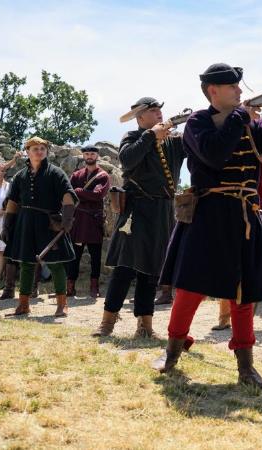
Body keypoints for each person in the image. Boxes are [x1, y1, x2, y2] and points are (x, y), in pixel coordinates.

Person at [153, 63, 262, 390]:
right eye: (233, 87)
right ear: (214, 91)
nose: (240, 92)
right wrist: (242, 118)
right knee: (190, 287)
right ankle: (172, 352)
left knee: (245, 293)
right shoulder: (199, 123)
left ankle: (246, 367)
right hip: (208, 214)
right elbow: (214, 153)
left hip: (243, 216)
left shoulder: (249, 123)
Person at [92, 97, 185, 338]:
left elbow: (197, 143)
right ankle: (107, 323)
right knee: (124, 268)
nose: (159, 116)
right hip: (137, 209)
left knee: (152, 271)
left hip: (163, 212)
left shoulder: (173, 143)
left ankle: (145, 326)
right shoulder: (133, 138)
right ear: (140, 118)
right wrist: (151, 135)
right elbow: (128, 159)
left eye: (159, 112)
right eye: (153, 112)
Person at [212, 147, 262, 332]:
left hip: (254, 219)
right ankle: (224, 319)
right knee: (228, 268)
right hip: (228, 218)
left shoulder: (256, 160)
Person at [0, 136, 77, 317]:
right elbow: (12, 202)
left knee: (56, 263)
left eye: (42, 148)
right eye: (35, 149)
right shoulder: (20, 176)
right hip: (25, 222)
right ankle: (24, 304)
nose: (39, 151)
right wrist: (6, 225)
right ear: (27, 151)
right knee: (26, 263)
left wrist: (66, 221)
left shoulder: (55, 173)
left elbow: (67, 196)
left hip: (49, 223)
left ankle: (62, 304)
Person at [66, 145, 110, 298]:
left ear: (97, 156)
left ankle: (94, 287)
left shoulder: (103, 176)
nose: (89, 156)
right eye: (87, 154)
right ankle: (70, 286)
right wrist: (80, 193)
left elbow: (98, 195)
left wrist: (79, 192)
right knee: (74, 255)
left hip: (93, 221)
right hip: (78, 220)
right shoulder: (76, 175)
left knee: (95, 256)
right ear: (83, 156)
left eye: (92, 154)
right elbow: (69, 194)